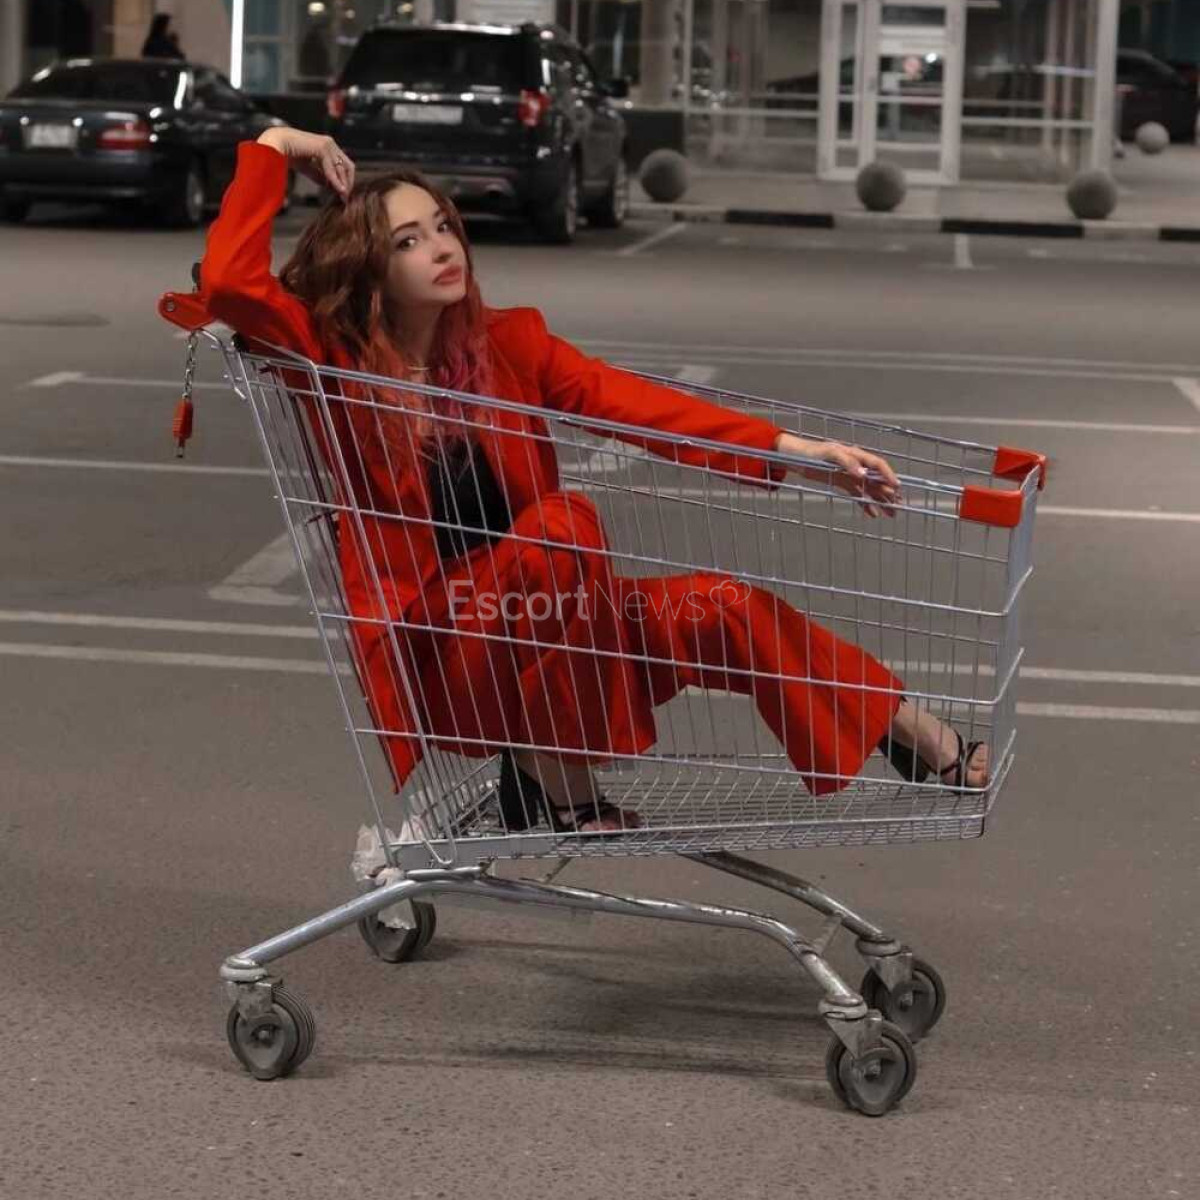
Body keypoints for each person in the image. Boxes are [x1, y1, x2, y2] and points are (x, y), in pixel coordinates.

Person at [196, 126, 989, 833]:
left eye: (443, 226)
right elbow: (228, 283)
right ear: (369, 266)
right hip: (449, 648)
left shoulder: (507, 344)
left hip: (558, 618)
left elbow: (638, 407)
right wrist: (277, 146)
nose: (442, 248)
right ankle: (561, 782)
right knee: (558, 526)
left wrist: (797, 450)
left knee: (727, 608)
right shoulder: (329, 361)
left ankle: (915, 736)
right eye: (408, 240)